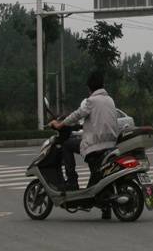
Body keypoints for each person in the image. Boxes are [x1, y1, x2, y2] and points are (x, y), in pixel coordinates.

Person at [49, 71, 120, 219]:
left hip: (95, 145)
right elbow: (97, 124)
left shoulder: (91, 101)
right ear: (103, 85)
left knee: (67, 145)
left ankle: (72, 182)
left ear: (89, 88)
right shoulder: (110, 100)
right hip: (111, 146)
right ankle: (105, 207)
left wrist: (60, 124)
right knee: (97, 175)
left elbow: (77, 115)